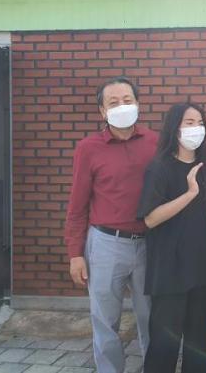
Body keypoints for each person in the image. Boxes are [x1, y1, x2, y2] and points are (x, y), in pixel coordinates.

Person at [65, 77, 157, 373]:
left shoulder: (155, 142)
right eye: (113, 102)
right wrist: (75, 253)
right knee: (105, 321)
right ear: (102, 111)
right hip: (106, 244)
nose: (122, 106)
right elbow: (77, 205)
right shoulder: (88, 148)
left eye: (127, 100)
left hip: (150, 243)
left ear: (138, 104)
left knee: (152, 318)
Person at [137, 103, 206, 373]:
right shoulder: (159, 168)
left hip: (201, 264)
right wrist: (190, 193)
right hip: (169, 268)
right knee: (164, 343)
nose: (196, 128)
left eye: (200, 122)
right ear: (174, 128)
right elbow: (150, 218)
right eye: (189, 122)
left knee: (199, 339)